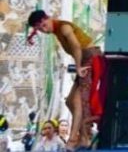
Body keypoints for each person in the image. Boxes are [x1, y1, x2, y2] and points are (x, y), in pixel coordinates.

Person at [27, 11, 105, 151]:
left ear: (49, 18)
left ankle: (74, 139)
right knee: (70, 101)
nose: (44, 30)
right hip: (85, 61)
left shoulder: (64, 28)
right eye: (40, 29)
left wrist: (78, 67)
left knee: (77, 101)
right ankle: (84, 136)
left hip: (90, 59)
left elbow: (76, 47)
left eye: (44, 25)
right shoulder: (57, 30)